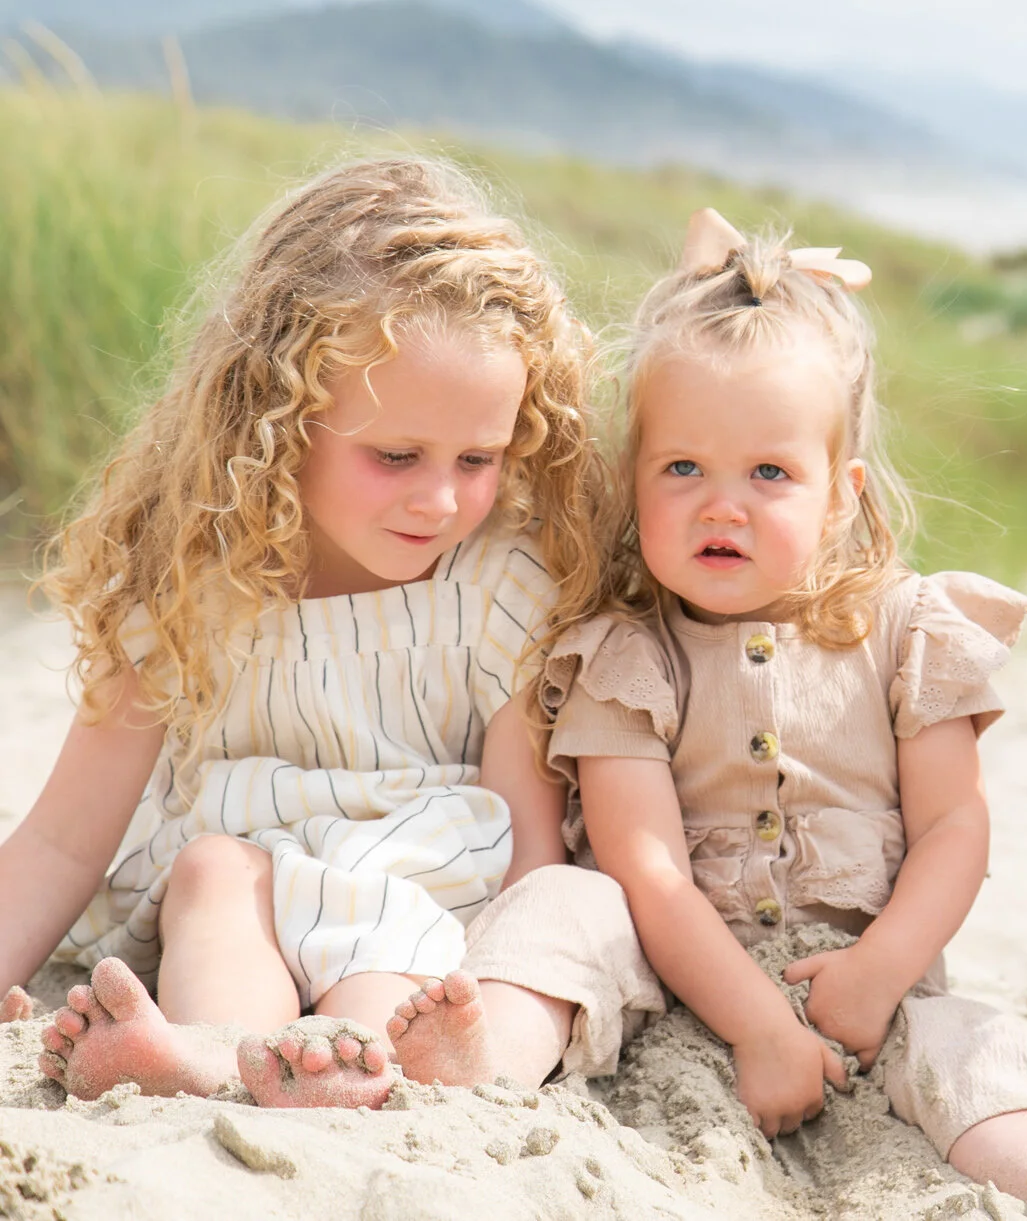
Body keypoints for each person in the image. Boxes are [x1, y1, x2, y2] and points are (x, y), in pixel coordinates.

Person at [387, 208, 1027, 1219]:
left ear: (840, 496)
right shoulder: (624, 653)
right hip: (667, 974)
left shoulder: (904, 630)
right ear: (633, 480)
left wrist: (877, 972)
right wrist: (757, 1028)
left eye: (768, 473)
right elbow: (646, 867)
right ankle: (486, 1061)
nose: (719, 504)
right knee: (562, 909)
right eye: (680, 468)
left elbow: (955, 826)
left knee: (975, 1050)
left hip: (866, 982)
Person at [0, 157, 606, 1110]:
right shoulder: (184, 588)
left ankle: (376, 1066)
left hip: (434, 914)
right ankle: (221, 1055)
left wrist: (483, 988)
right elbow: (62, 842)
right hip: (244, 901)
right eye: (395, 454)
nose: (441, 498)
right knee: (210, 874)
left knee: (523, 925)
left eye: (479, 458)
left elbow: (528, 843)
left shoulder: (502, 585)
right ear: (278, 418)